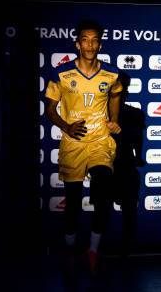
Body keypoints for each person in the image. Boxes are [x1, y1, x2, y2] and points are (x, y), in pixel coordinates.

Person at [45, 19, 122, 274]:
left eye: (94, 40)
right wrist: (66, 127)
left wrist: (114, 121)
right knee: (74, 203)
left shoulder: (111, 73)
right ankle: (69, 251)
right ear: (78, 44)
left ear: (99, 44)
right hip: (73, 143)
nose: (90, 44)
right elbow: (50, 109)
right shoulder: (62, 74)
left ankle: (92, 250)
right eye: (85, 40)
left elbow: (115, 96)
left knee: (102, 195)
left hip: (100, 141)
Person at [111, 72, 145, 259]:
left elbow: (138, 140)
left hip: (115, 167)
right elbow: (138, 141)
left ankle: (124, 250)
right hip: (113, 168)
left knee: (127, 210)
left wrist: (138, 157)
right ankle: (124, 250)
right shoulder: (135, 114)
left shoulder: (134, 114)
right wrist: (138, 157)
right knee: (125, 211)